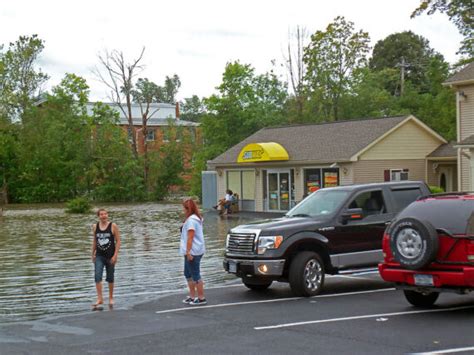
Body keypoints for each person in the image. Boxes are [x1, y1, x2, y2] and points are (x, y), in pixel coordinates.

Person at [92, 208, 121, 308]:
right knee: (97, 276)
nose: (104, 216)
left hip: (110, 256)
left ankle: (111, 298)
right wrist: (92, 254)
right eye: (101, 214)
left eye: (105, 214)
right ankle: (100, 299)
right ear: (98, 216)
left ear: (107, 215)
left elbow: (118, 241)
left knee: (110, 278)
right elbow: (95, 241)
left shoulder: (113, 226)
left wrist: (115, 255)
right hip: (99, 256)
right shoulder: (95, 226)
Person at [180, 199, 207, 305]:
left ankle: (201, 298)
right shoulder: (194, 219)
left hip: (193, 252)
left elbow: (190, 237)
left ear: (187, 209)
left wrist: (188, 252)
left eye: (183, 208)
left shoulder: (191, 220)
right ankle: (192, 296)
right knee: (187, 273)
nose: (182, 210)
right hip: (192, 250)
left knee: (195, 275)